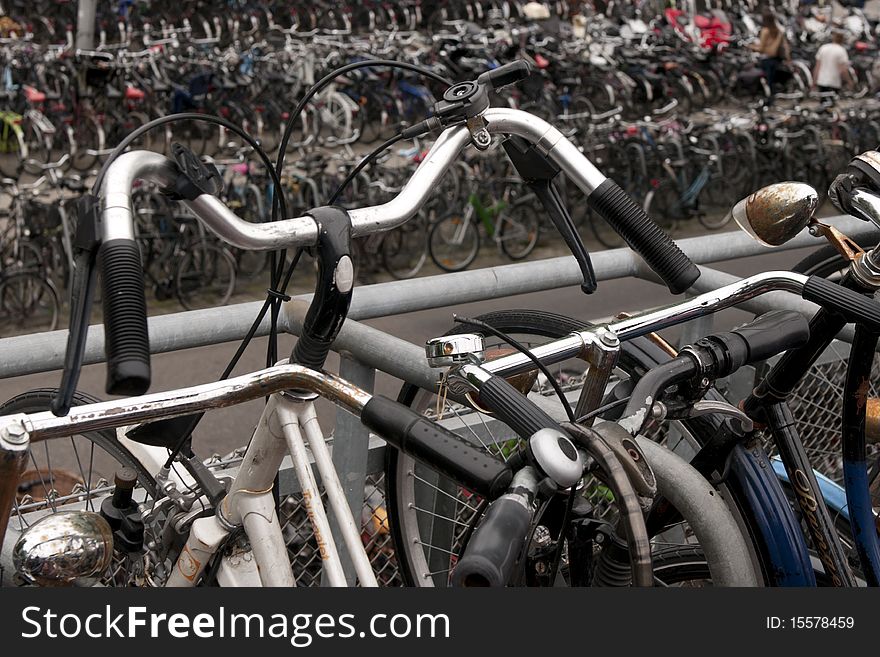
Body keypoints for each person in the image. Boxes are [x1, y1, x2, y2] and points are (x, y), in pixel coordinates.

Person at [749, 10, 791, 96]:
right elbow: (785, 46)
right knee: (772, 80)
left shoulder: (765, 31)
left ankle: (767, 99)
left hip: (767, 59)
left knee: (767, 80)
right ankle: (772, 97)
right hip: (778, 58)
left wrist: (750, 46)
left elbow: (761, 49)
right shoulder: (779, 30)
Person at [812, 30, 852, 95]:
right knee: (832, 102)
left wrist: (814, 82)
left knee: (824, 102)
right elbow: (843, 70)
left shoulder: (823, 48)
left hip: (821, 81)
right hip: (834, 82)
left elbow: (817, 67)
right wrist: (849, 81)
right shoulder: (841, 50)